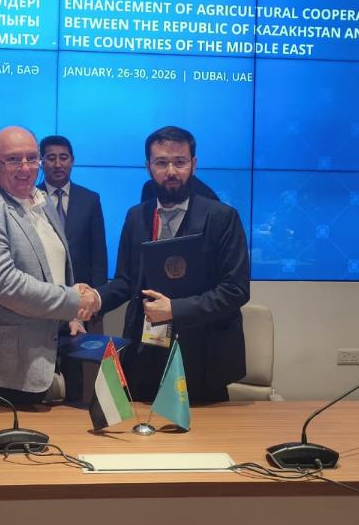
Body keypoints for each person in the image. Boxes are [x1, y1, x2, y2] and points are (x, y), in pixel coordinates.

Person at [0, 126, 101, 405]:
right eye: (13, 159)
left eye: (32, 158)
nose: (26, 168)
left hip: (35, 355)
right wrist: (72, 300)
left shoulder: (38, 198)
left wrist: (71, 313)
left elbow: (51, 265)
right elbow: (3, 283)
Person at [98, 126, 250, 403]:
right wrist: (92, 300)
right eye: (161, 163)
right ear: (148, 166)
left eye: (180, 162)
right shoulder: (136, 216)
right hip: (145, 357)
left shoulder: (222, 217)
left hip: (203, 358)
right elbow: (125, 281)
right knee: (141, 429)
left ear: (194, 164)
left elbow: (235, 290)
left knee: (207, 431)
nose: (171, 171)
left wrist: (174, 310)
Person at [38, 135, 107, 402]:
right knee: (41, 371)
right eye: (51, 158)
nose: (58, 164)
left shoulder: (90, 199)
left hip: (81, 304)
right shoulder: (29, 199)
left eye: (63, 157)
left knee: (77, 376)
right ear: (42, 162)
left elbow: (98, 256)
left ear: (72, 161)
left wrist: (96, 302)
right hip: (42, 302)